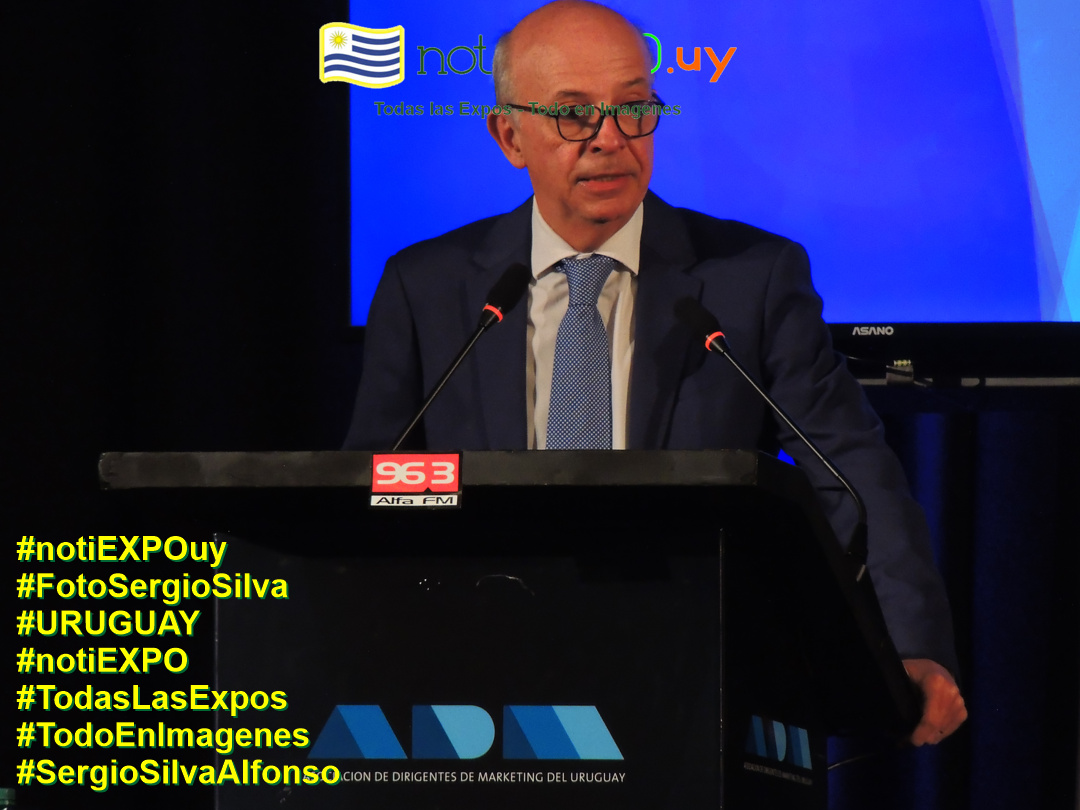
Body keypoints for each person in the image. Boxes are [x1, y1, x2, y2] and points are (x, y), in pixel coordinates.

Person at [344, 0, 966, 746]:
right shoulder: (429, 288)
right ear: (510, 135)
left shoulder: (751, 279)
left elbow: (851, 472)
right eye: (574, 114)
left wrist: (908, 645)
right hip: (482, 686)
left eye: (634, 108)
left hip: (697, 682)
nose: (610, 140)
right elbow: (374, 486)